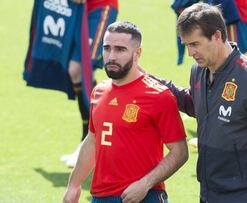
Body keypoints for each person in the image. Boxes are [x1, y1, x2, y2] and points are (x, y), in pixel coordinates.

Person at [159, 3, 247, 202]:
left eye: (195, 44)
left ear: (217, 36)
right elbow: (201, 106)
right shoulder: (199, 70)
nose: (190, 53)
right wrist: (161, 86)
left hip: (246, 193)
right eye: (186, 46)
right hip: (209, 190)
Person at [62, 21, 188, 203]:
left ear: (138, 53)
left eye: (120, 50)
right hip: (100, 197)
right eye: (107, 48)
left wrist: (145, 184)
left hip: (144, 197)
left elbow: (179, 152)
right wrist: (74, 185)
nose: (111, 56)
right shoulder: (98, 92)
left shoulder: (159, 96)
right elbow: (92, 140)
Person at [61, 0, 119, 167]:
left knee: (83, 69)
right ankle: (87, 141)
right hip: (79, 8)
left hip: (101, 7)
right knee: (75, 71)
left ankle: (94, 144)